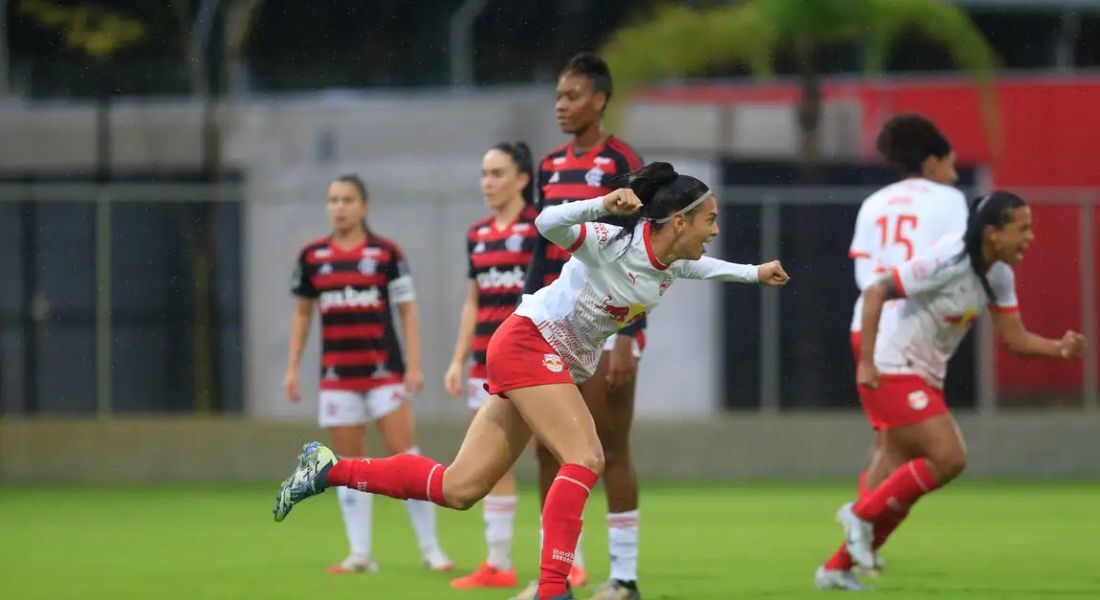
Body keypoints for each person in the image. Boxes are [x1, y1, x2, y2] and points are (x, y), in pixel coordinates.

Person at [273, 162, 790, 600]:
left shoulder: (670, 262)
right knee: (586, 456)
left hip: (544, 357)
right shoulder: (613, 240)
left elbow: (704, 269)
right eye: (710, 220)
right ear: (678, 221)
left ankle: (327, 469)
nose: (715, 230)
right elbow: (547, 223)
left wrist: (753, 272)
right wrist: (603, 203)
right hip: (528, 344)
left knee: (460, 487)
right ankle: (552, 588)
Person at [816, 191, 1085, 591]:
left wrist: (1057, 349)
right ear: (993, 233)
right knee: (949, 457)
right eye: (1022, 228)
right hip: (892, 364)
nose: (1030, 238)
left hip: (925, 374)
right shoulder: (949, 260)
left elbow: (1014, 339)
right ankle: (859, 514)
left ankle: (836, 568)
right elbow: (876, 291)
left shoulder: (999, 274)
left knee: (897, 486)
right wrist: (868, 363)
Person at [818, 114, 969, 585]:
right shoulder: (949, 200)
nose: (956, 173)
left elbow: (867, 277)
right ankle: (861, 521)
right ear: (933, 160)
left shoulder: (875, 202)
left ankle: (853, 555)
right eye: (951, 163)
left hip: (866, 323)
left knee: (891, 443)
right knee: (933, 453)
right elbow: (953, 260)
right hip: (907, 327)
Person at [519, 51, 646, 600]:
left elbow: (639, 255)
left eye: (572, 96)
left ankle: (623, 578)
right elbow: (539, 251)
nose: (561, 106)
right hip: (551, 324)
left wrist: (626, 339)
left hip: (605, 327)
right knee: (547, 451)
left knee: (609, 448)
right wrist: (523, 315)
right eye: (557, 97)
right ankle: (561, 572)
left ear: (599, 99)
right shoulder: (549, 166)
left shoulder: (623, 161)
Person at [283, 175, 452, 574]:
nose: (339, 207)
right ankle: (360, 553)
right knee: (349, 463)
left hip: (385, 375)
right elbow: (303, 314)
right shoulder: (312, 257)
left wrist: (413, 364)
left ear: (364, 205)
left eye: (347, 199)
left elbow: (407, 309)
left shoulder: (386, 253)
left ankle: (431, 549)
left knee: (406, 458)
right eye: (333, 200)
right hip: (338, 377)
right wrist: (292, 367)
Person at [443, 142, 539, 590]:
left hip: (534, 360)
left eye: (497, 173)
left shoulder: (542, 228)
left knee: (552, 456)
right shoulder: (478, 233)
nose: (487, 182)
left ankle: (567, 558)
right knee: (493, 462)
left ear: (522, 179)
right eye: (484, 173)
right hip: (485, 364)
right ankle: (499, 563)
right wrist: (459, 358)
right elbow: (473, 302)